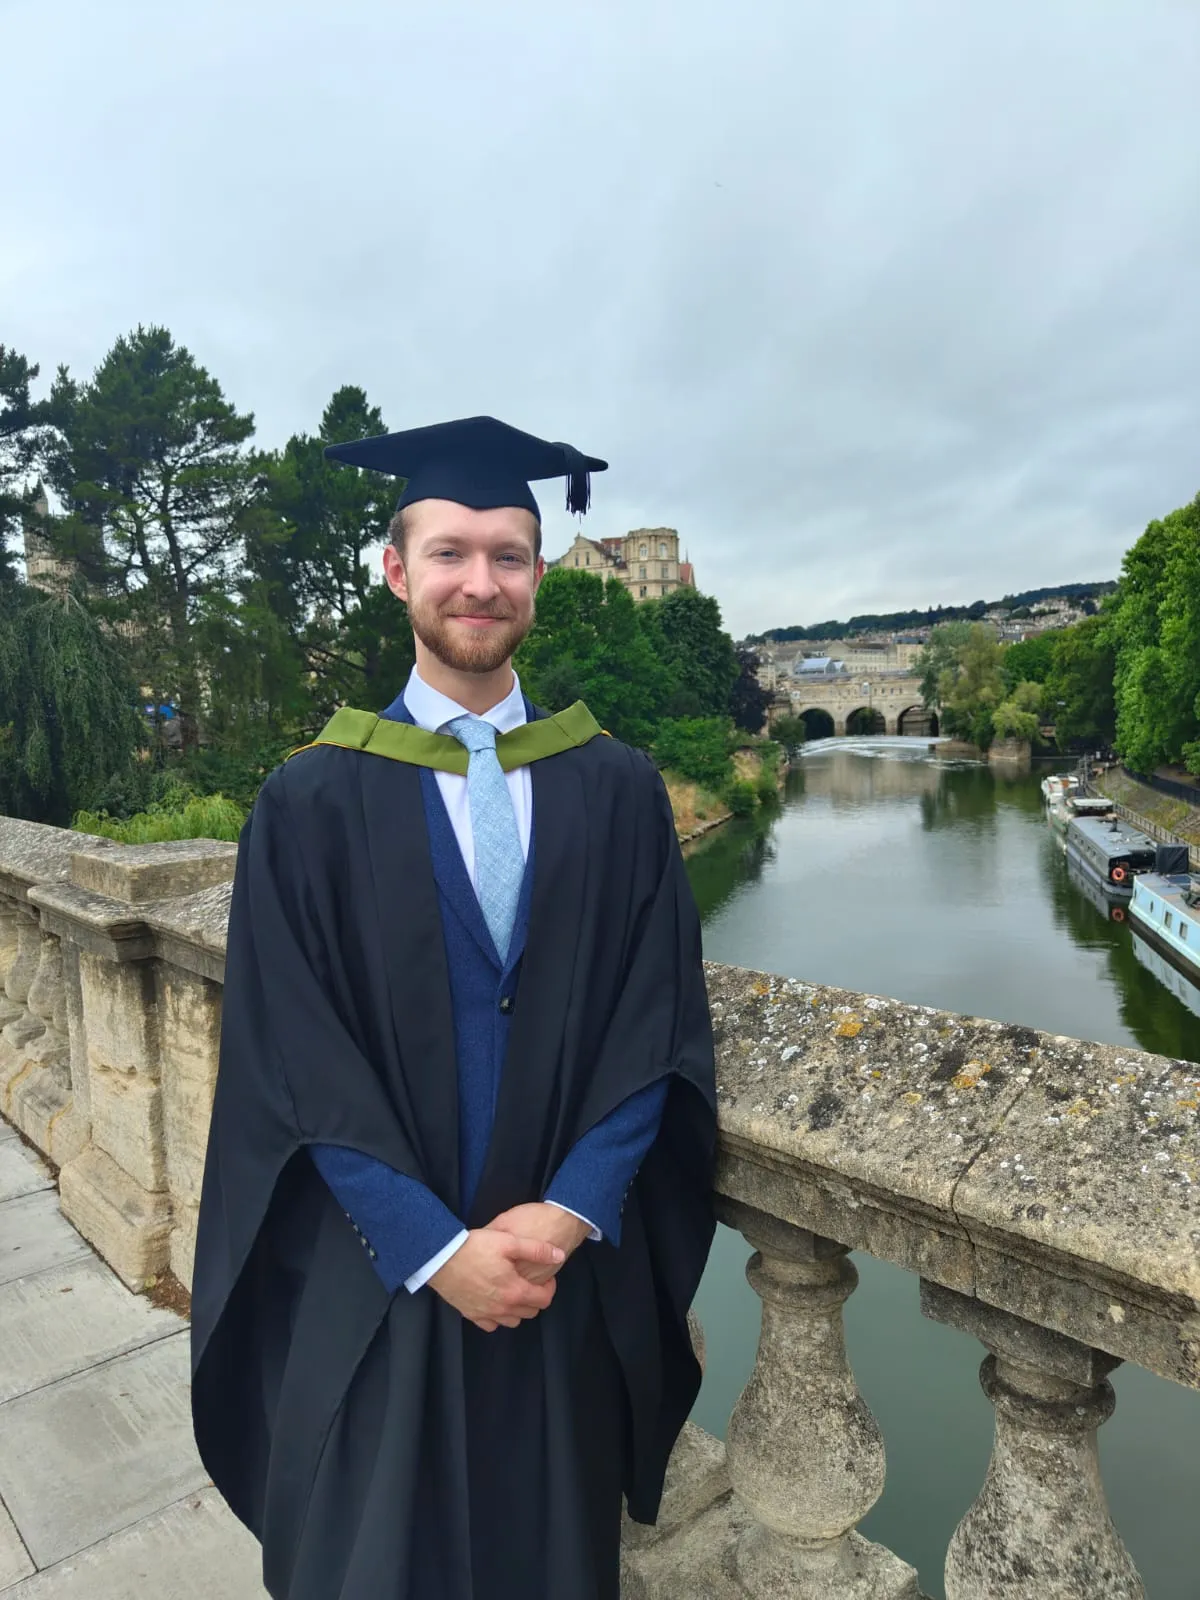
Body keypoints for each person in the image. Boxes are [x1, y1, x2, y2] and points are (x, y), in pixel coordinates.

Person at [190, 416, 717, 1600]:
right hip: (382, 1282)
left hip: (554, 1290)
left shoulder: (619, 789)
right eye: (449, 553)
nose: (480, 581)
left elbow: (659, 1020)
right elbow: (292, 1053)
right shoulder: (311, 801)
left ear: (538, 575)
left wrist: (571, 1216)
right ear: (396, 571)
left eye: (509, 555)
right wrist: (436, 1249)